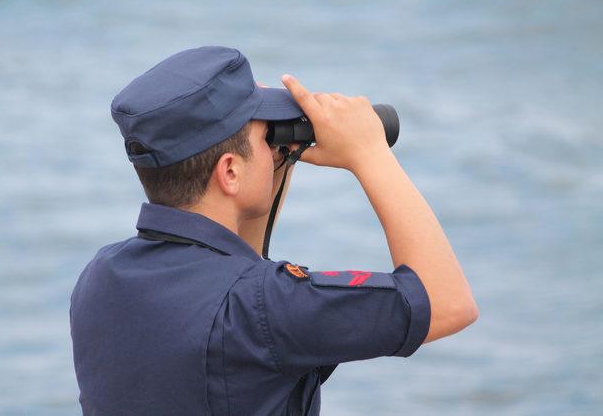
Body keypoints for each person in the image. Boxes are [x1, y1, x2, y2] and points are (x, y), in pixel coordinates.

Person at [69, 46, 478, 415]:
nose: (273, 148)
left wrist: (277, 161)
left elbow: (232, 272)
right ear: (229, 171)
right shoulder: (266, 307)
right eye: (265, 139)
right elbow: (446, 303)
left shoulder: (101, 277)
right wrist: (369, 154)